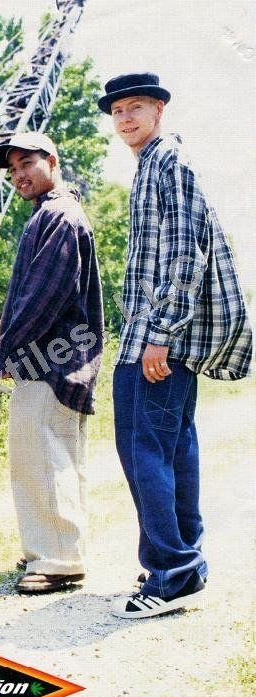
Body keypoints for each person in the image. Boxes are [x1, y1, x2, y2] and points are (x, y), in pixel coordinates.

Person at [98, 73, 253, 618]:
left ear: (159, 109)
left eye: (135, 108)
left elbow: (187, 256)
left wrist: (162, 334)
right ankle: (184, 563)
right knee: (171, 449)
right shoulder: (150, 167)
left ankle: (170, 574)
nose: (125, 119)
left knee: (146, 452)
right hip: (147, 334)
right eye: (117, 112)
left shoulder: (171, 164)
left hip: (158, 338)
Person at [0, 132, 104, 595]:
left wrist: (6, 352)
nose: (19, 175)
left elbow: (45, 295)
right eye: (13, 169)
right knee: (55, 455)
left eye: (27, 163)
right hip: (60, 359)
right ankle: (52, 544)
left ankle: (58, 558)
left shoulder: (57, 215)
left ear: (52, 161)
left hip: (50, 362)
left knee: (41, 457)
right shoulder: (53, 214)